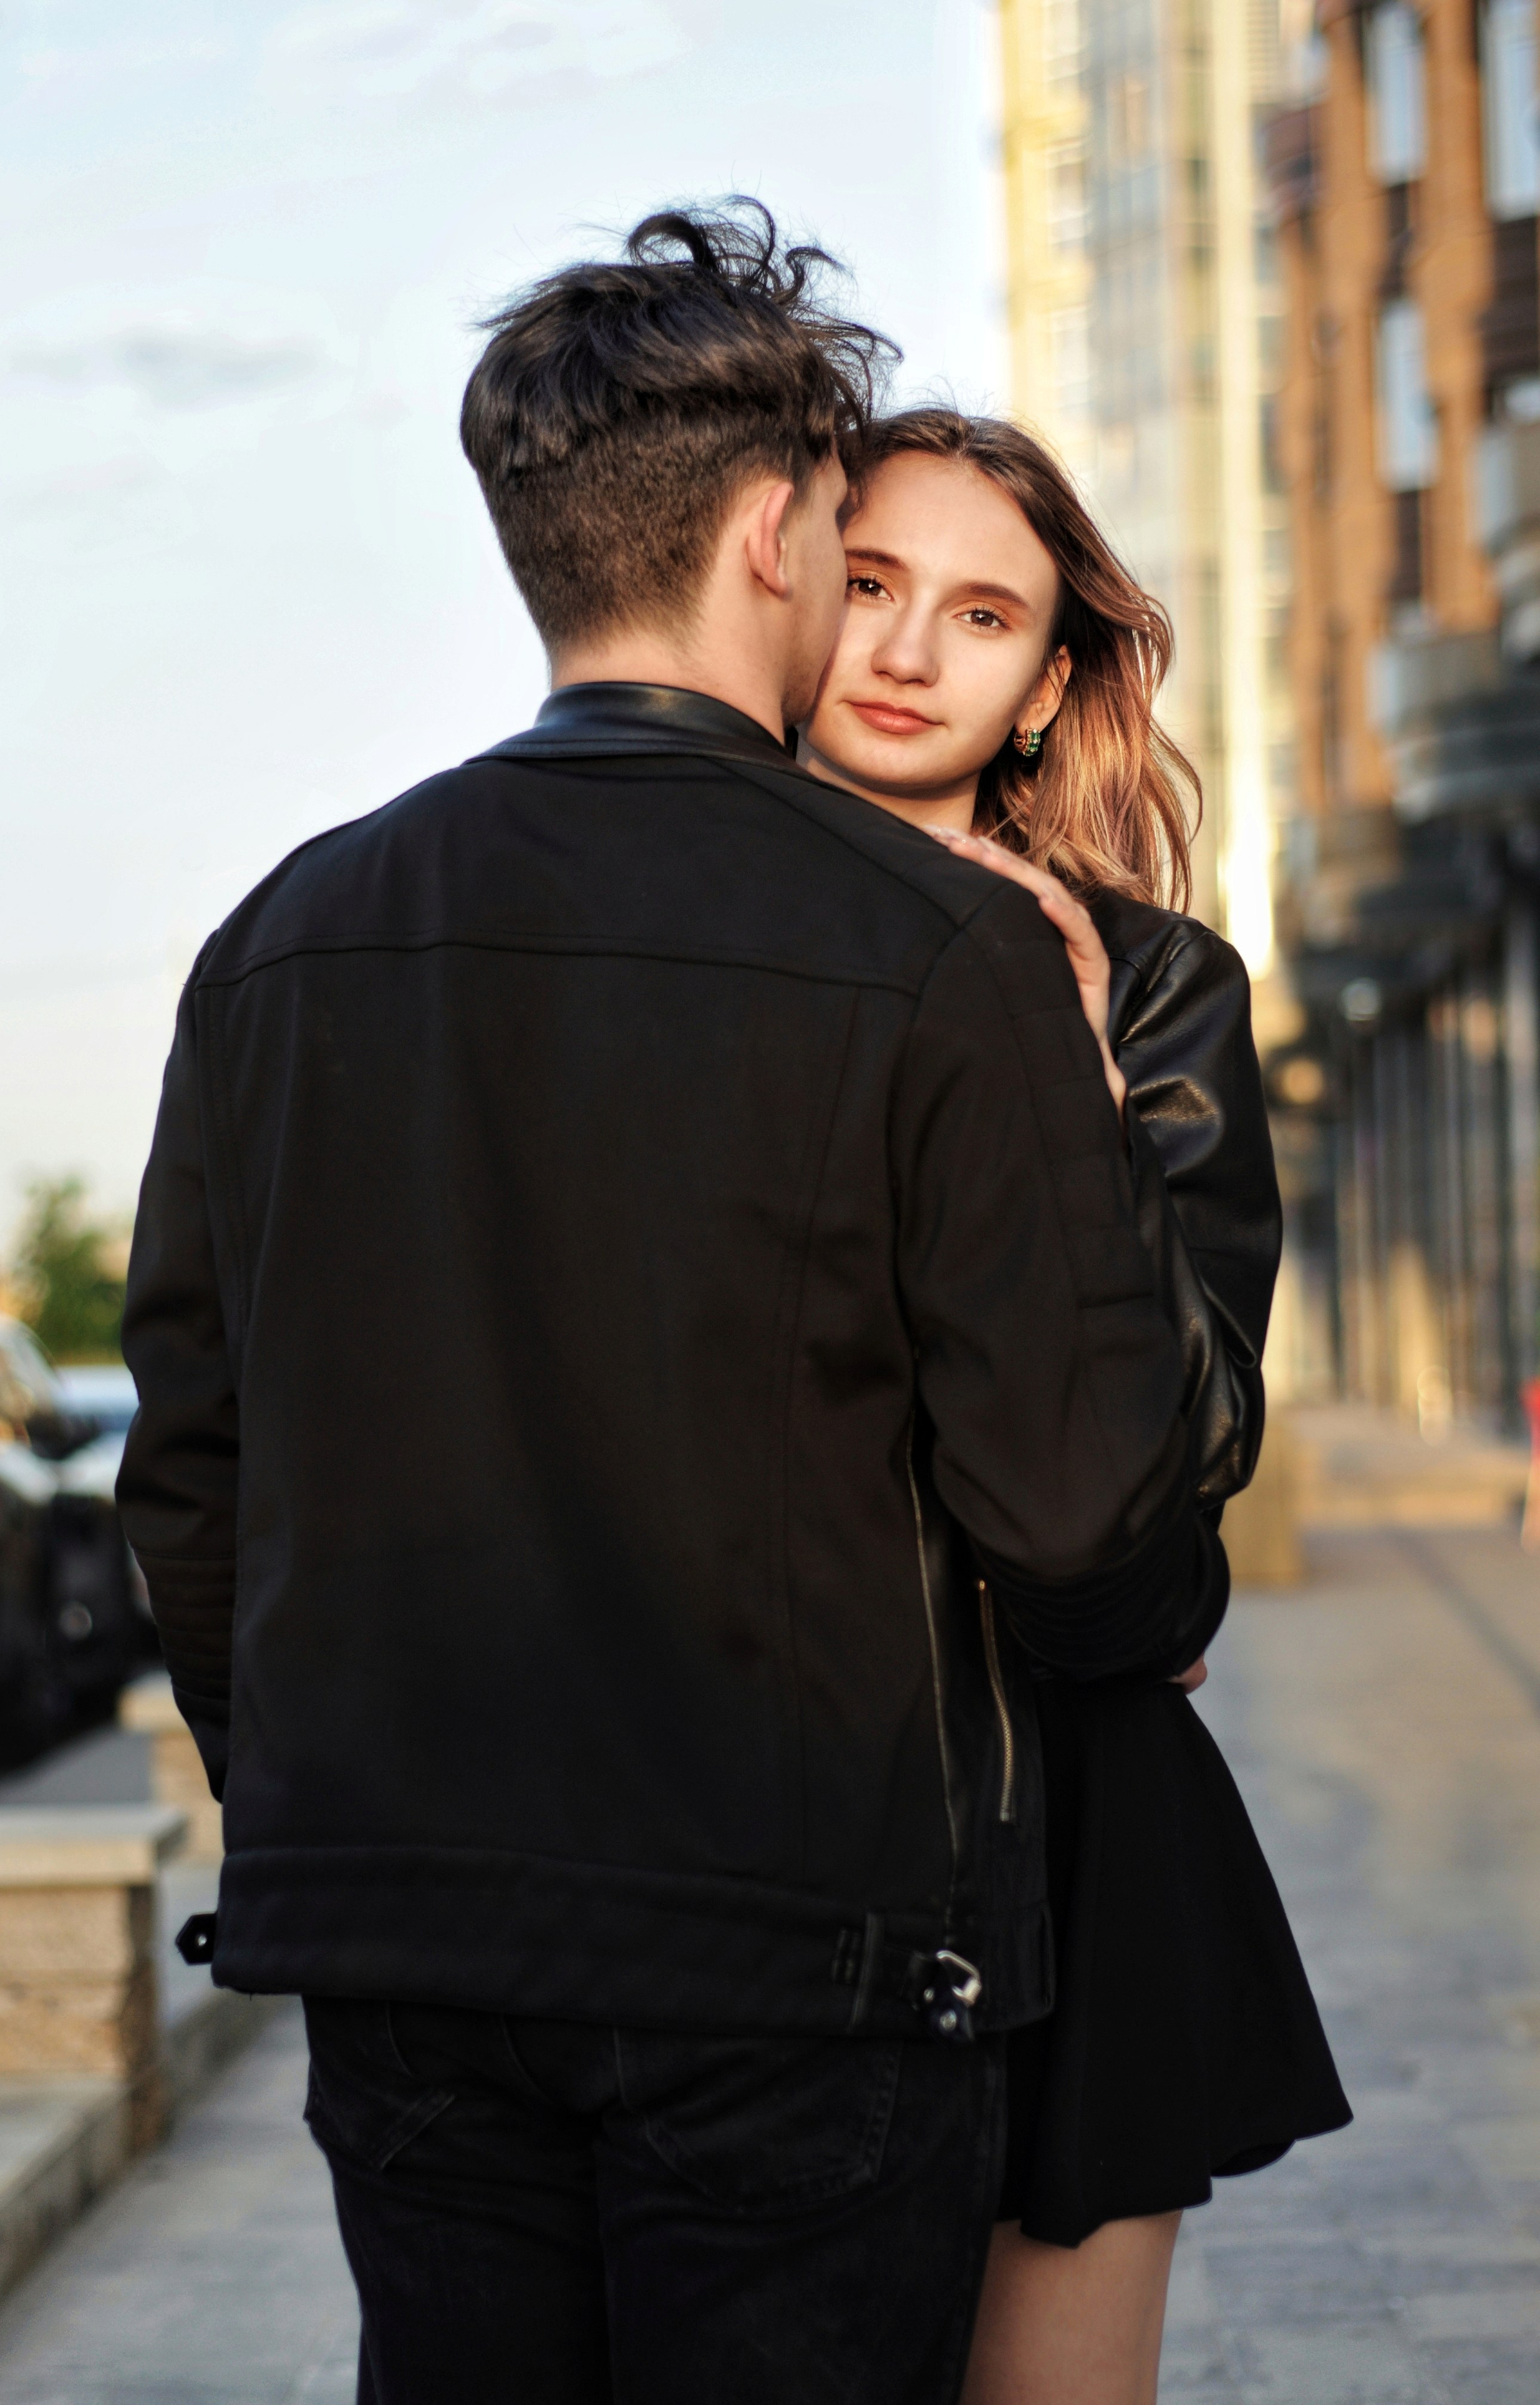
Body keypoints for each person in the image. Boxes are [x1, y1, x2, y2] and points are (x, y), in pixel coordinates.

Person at [117, 208, 1225, 2405]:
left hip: (408, 1948)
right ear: (763, 532)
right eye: (842, 530)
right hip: (811, 1971)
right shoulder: (946, 950)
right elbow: (1090, 1528)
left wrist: (344, 1831)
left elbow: (194, 1478)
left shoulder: (279, 945)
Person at [798, 405, 1352, 2405]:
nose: (906, 648)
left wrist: (1084, 1092)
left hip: (1073, 1807)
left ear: (1047, 690)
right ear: (780, 579)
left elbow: (1188, 1461)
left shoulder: (1159, 986)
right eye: (869, 585)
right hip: (766, 1808)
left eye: (980, 613)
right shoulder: (680, 946)